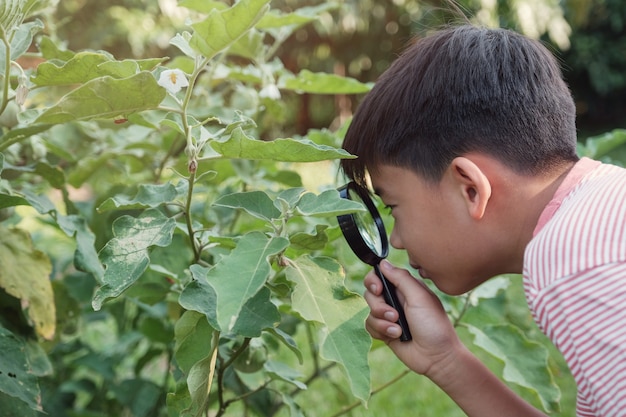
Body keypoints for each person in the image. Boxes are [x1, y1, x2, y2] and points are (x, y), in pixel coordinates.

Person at [340, 24, 626, 416]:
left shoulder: (574, 265)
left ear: (470, 188)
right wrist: (446, 360)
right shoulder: (604, 204)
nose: (399, 240)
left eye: (394, 208)